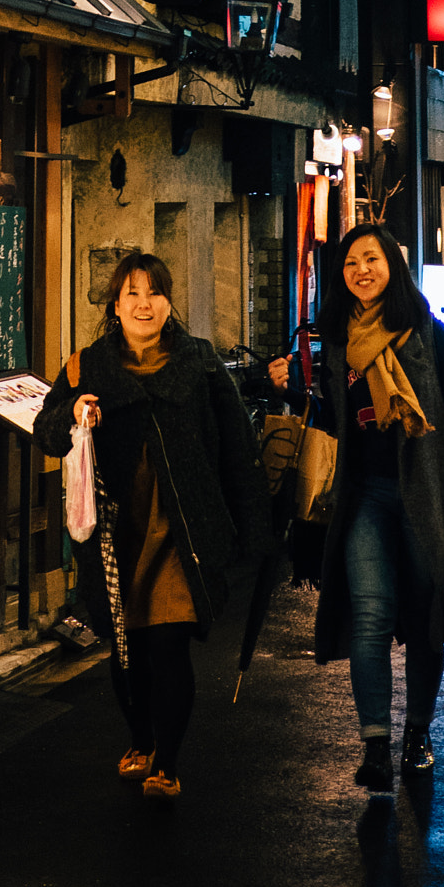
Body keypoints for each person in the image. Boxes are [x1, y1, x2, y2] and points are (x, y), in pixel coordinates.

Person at [268, 225, 444, 794]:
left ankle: (417, 734)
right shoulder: (334, 338)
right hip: (364, 493)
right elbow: (328, 419)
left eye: (371, 259)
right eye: (351, 263)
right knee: (371, 615)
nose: (361, 270)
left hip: (426, 492)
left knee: (425, 621)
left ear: (392, 266)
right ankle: (375, 744)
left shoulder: (427, 332)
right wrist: (292, 390)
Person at [34, 253, 268, 803]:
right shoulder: (85, 367)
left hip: (181, 531)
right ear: (115, 306)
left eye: (155, 293)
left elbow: (238, 451)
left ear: (168, 303)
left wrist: (257, 531)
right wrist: (72, 413)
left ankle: (167, 758)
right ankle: (140, 736)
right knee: (125, 648)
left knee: (168, 646)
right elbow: (45, 431)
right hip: (118, 536)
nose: (144, 303)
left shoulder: (200, 363)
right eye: (132, 294)